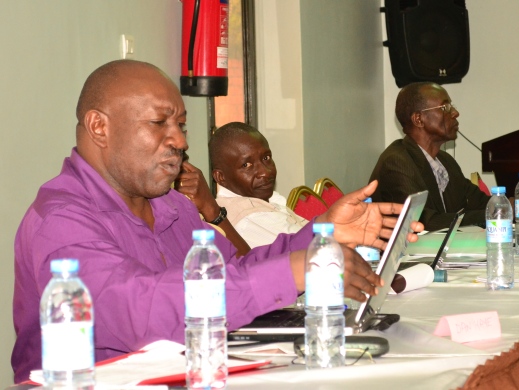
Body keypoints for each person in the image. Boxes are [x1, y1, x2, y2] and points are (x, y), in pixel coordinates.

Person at [12, 59, 422, 382]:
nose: (181, 141)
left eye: (181, 124)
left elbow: (236, 269)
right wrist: (293, 273)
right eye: (160, 123)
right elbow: (137, 308)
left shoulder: (172, 205)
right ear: (99, 126)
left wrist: (321, 236)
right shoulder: (61, 220)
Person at [369, 82, 490, 231]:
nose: (455, 113)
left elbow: (480, 202)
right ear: (418, 119)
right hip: (406, 253)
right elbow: (425, 222)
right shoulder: (396, 163)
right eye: (445, 107)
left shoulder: (445, 161)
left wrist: (512, 206)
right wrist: (495, 215)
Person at [208, 122, 308, 248]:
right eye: (246, 165)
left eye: (266, 158)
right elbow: (319, 249)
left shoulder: (259, 199)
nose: (265, 172)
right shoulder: (250, 219)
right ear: (221, 177)